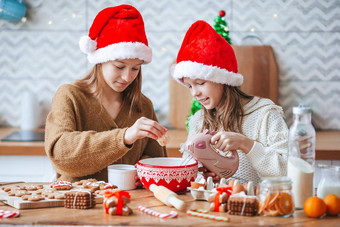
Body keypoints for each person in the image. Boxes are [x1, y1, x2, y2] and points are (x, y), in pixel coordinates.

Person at [45, 5, 167, 183]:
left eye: (135, 68)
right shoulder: (70, 96)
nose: (127, 76)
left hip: (127, 206)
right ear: (101, 61)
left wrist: (146, 172)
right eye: (119, 66)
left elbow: (156, 159)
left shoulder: (143, 106)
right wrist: (124, 137)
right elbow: (61, 155)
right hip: (74, 205)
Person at [171, 20, 288, 185]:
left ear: (221, 79)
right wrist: (203, 177)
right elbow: (189, 174)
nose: (194, 93)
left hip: (258, 206)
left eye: (201, 83)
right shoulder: (199, 120)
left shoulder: (265, 115)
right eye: (189, 86)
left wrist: (246, 144)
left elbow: (285, 172)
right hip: (213, 207)